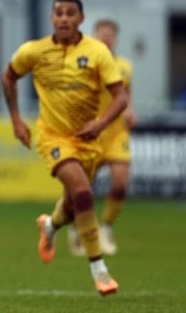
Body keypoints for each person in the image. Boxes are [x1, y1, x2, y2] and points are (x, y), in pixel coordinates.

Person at [1, 0, 128, 296]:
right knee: (83, 192)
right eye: (58, 13)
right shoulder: (34, 51)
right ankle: (100, 271)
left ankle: (49, 226)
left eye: (70, 13)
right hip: (53, 137)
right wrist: (17, 120)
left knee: (73, 206)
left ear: (81, 19)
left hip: (88, 140)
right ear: (52, 18)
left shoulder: (97, 52)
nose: (63, 18)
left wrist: (100, 123)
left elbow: (120, 97)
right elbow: (8, 78)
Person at [67, 19, 137, 257]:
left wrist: (129, 110)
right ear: (94, 36)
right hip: (91, 134)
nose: (106, 38)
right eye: (102, 34)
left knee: (120, 183)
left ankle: (106, 228)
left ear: (115, 38)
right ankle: (77, 228)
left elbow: (126, 94)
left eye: (110, 34)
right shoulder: (85, 64)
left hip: (116, 133)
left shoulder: (125, 66)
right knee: (82, 189)